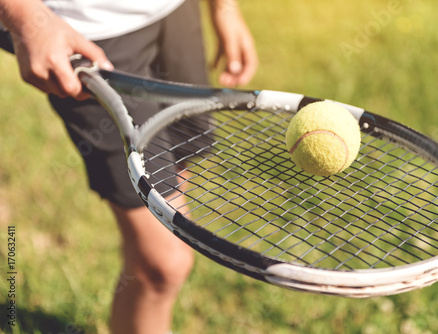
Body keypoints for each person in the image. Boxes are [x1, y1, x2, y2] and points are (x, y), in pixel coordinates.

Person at [0, 0, 258, 333]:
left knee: (179, 169)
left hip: (174, 11)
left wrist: (224, 8)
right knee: (164, 263)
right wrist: (21, 15)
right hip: (86, 31)